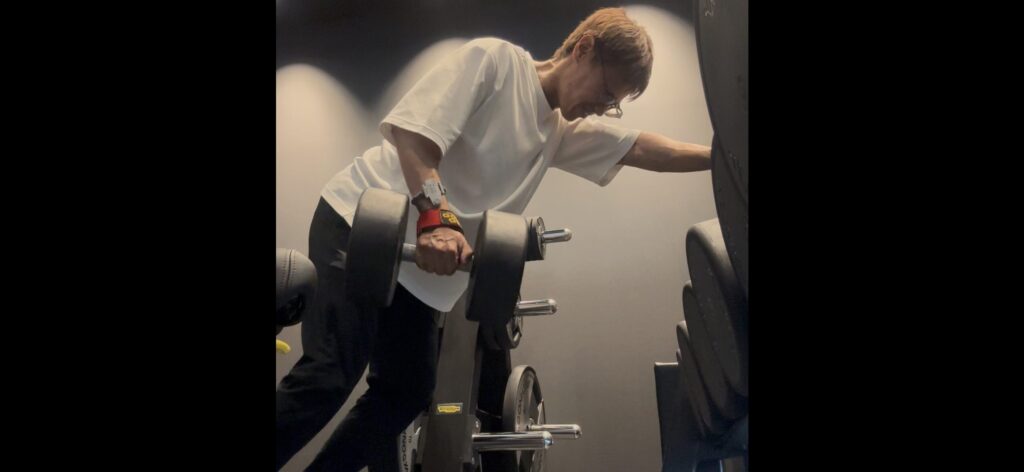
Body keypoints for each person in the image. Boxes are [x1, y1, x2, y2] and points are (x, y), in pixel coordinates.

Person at [276, 7, 712, 470]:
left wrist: (720, 156)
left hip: (419, 272)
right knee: (332, 371)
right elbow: (414, 136)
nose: (603, 109)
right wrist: (438, 219)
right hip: (361, 223)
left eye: (613, 105)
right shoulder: (496, 63)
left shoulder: (559, 130)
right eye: (606, 93)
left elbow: (643, 148)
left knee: (405, 391)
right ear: (584, 49)